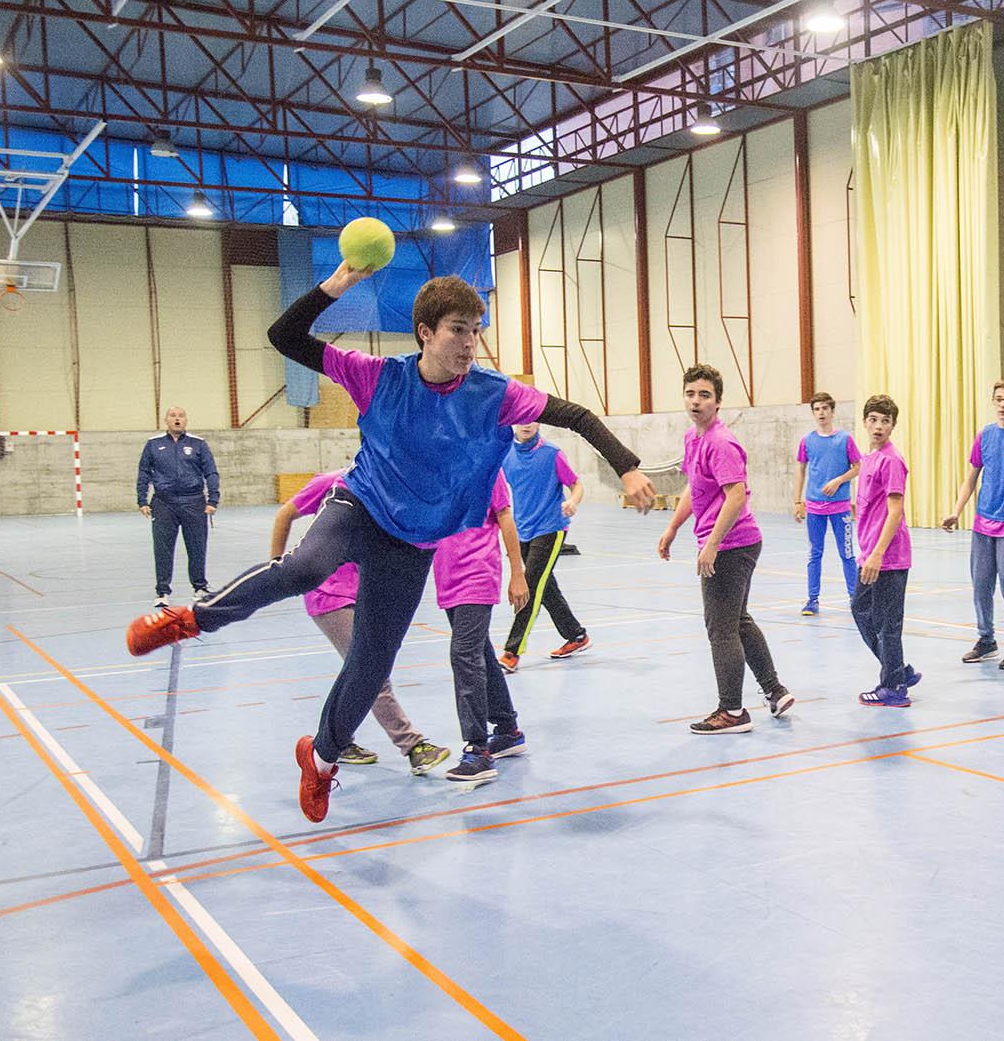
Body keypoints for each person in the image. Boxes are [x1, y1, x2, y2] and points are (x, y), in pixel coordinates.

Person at [123, 262, 654, 823]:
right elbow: (284, 337)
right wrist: (340, 283)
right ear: (425, 332)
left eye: (476, 328)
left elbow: (575, 415)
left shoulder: (494, 395)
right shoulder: (378, 375)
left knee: (373, 663)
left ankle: (322, 759)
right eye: (457, 328)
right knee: (307, 567)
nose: (470, 342)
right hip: (359, 507)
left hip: (413, 543)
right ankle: (192, 618)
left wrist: (626, 468)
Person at [271, 471, 449, 775]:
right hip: (328, 594)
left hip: (364, 592)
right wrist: (278, 569)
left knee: (356, 669)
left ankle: (335, 740)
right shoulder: (332, 482)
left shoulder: (392, 489)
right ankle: (413, 746)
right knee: (370, 669)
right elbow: (285, 514)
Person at [657, 364, 794, 734]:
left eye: (704, 395)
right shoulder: (693, 438)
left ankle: (732, 712)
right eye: (690, 393)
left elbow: (735, 495)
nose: (696, 401)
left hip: (734, 544)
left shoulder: (720, 441)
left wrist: (712, 546)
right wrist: (672, 527)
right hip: (729, 542)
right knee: (737, 620)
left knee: (720, 628)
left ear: (718, 401)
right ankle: (775, 691)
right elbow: (695, 488)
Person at [431, 470, 532, 783]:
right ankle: (507, 730)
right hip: (447, 576)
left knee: (463, 653)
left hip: (478, 571)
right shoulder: (435, 465)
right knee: (480, 652)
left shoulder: (489, 465)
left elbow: (504, 516)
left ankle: (478, 751)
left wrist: (518, 573)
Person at [941, 380, 1004, 668]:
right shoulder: (985, 435)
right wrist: (957, 510)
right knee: (981, 585)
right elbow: (972, 477)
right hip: (983, 523)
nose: (1003, 404)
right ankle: (986, 639)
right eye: (999, 399)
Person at [498, 422, 590, 672]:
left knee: (530, 586)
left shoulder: (552, 453)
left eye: (532, 418)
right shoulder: (505, 453)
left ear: (539, 422)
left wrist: (572, 501)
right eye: (521, 418)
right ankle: (576, 635)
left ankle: (512, 650)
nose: (527, 424)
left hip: (551, 528)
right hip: (522, 530)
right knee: (546, 587)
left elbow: (577, 485)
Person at [852, 395, 921, 708]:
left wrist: (879, 553)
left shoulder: (892, 460)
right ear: (865, 421)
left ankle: (893, 687)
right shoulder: (869, 458)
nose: (879, 426)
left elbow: (895, 510)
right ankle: (898, 670)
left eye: (885, 421)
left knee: (887, 623)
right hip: (869, 551)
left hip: (888, 556)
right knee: (860, 608)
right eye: (874, 419)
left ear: (893, 425)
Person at [136, 406, 219, 607]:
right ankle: (162, 591)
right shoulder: (153, 444)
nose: (177, 419)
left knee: (197, 546)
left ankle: (200, 588)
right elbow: (144, 472)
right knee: (163, 548)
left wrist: (213, 499)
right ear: (166, 420)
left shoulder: (198, 444)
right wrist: (142, 500)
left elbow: (211, 472)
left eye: (181, 416)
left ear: (186, 420)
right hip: (164, 503)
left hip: (194, 501)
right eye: (173, 416)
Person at [793, 391, 861, 616]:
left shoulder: (844, 439)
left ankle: (855, 598)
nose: (821, 413)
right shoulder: (807, 440)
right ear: (813, 413)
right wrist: (797, 501)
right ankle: (812, 600)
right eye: (817, 409)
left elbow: (857, 466)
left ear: (832, 411)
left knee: (847, 553)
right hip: (814, 507)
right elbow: (801, 470)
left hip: (840, 506)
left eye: (825, 408)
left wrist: (838, 480)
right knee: (815, 553)